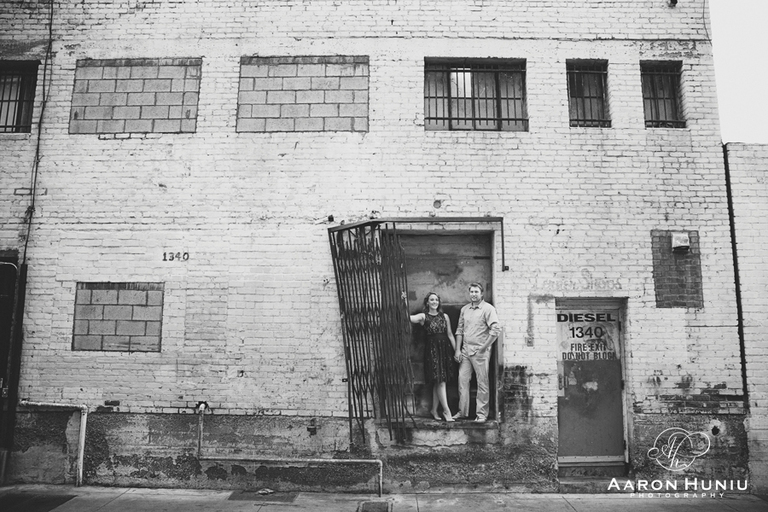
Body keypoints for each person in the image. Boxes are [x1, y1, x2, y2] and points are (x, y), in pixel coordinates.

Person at [453, 283, 501, 423]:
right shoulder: (465, 309)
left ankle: (481, 414)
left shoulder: (488, 309)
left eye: (476, 291)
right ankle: (462, 412)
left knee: (482, 383)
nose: (473, 294)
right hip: (466, 351)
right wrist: (457, 350)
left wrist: (484, 347)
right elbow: (459, 330)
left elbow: (496, 330)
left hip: (480, 352)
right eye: (471, 292)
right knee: (462, 380)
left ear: (481, 293)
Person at [409, 292, 457, 422]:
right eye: (432, 300)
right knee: (440, 381)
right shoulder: (423, 316)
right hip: (432, 351)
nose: (434, 302)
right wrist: (402, 302)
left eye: (436, 300)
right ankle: (447, 411)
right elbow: (408, 318)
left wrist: (457, 351)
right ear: (427, 302)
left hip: (445, 350)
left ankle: (434, 410)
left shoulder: (444, 316)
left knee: (440, 381)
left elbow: (450, 335)